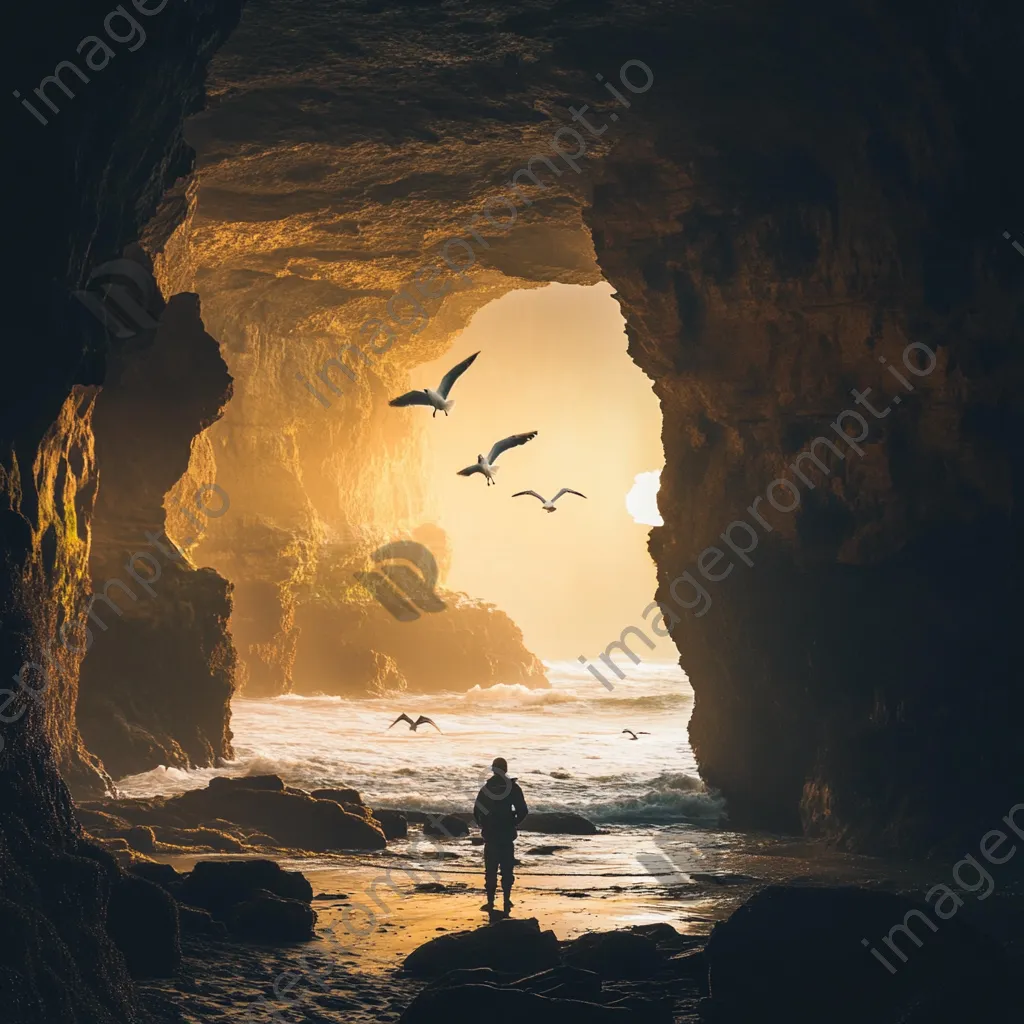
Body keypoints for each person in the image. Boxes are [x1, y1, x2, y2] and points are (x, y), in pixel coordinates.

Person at [473, 756, 529, 914]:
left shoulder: (486, 789)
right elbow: (523, 811)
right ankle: (506, 899)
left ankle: (490, 901)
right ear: (505, 770)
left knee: (490, 871)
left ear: (493, 769)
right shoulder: (513, 788)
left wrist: (483, 824)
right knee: (507, 870)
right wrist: (514, 822)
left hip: (491, 836)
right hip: (506, 835)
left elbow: (477, 811)